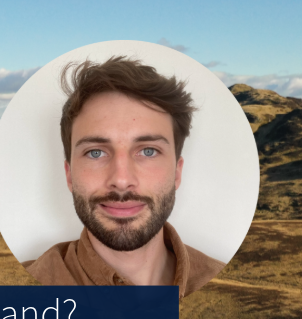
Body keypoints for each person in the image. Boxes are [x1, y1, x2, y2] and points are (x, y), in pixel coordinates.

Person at [23, 56, 225, 299]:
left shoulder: (229, 289)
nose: (121, 180)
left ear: (177, 173)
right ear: (69, 175)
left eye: (148, 151)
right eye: (95, 152)